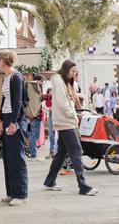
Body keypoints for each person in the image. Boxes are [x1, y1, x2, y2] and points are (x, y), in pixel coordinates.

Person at [42, 59, 98, 196]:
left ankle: (49, 181)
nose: (74, 74)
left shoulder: (64, 82)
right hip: (66, 122)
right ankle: (83, 186)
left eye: (76, 72)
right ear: (66, 69)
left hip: (66, 121)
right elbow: (62, 103)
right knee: (76, 152)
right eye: (73, 71)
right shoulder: (59, 81)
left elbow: (67, 102)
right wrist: (74, 116)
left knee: (61, 153)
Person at [0, 50, 29, 206]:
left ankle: (21, 194)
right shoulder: (6, 78)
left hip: (16, 120)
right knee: (8, 157)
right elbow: (4, 101)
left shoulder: (16, 77)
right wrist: (0, 120)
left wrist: (14, 122)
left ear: (3, 60)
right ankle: (11, 193)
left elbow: (18, 102)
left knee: (17, 158)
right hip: (8, 118)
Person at [24, 72, 43, 160]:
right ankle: (33, 154)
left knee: (32, 134)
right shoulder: (36, 87)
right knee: (35, 135)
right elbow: (41, 98)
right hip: (37, 114)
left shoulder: (30, 87)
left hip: (32, 114)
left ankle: (32, 153)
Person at [42, 87, 57, 158]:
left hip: (57, 115)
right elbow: (46, 106)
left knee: (58, 135)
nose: (50, 93)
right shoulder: (47, 98)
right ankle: (52, 152)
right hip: (51, 115)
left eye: (51, 92)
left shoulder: (56, 97)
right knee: (51, 135)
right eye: (49, 92)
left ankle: (56, 152)